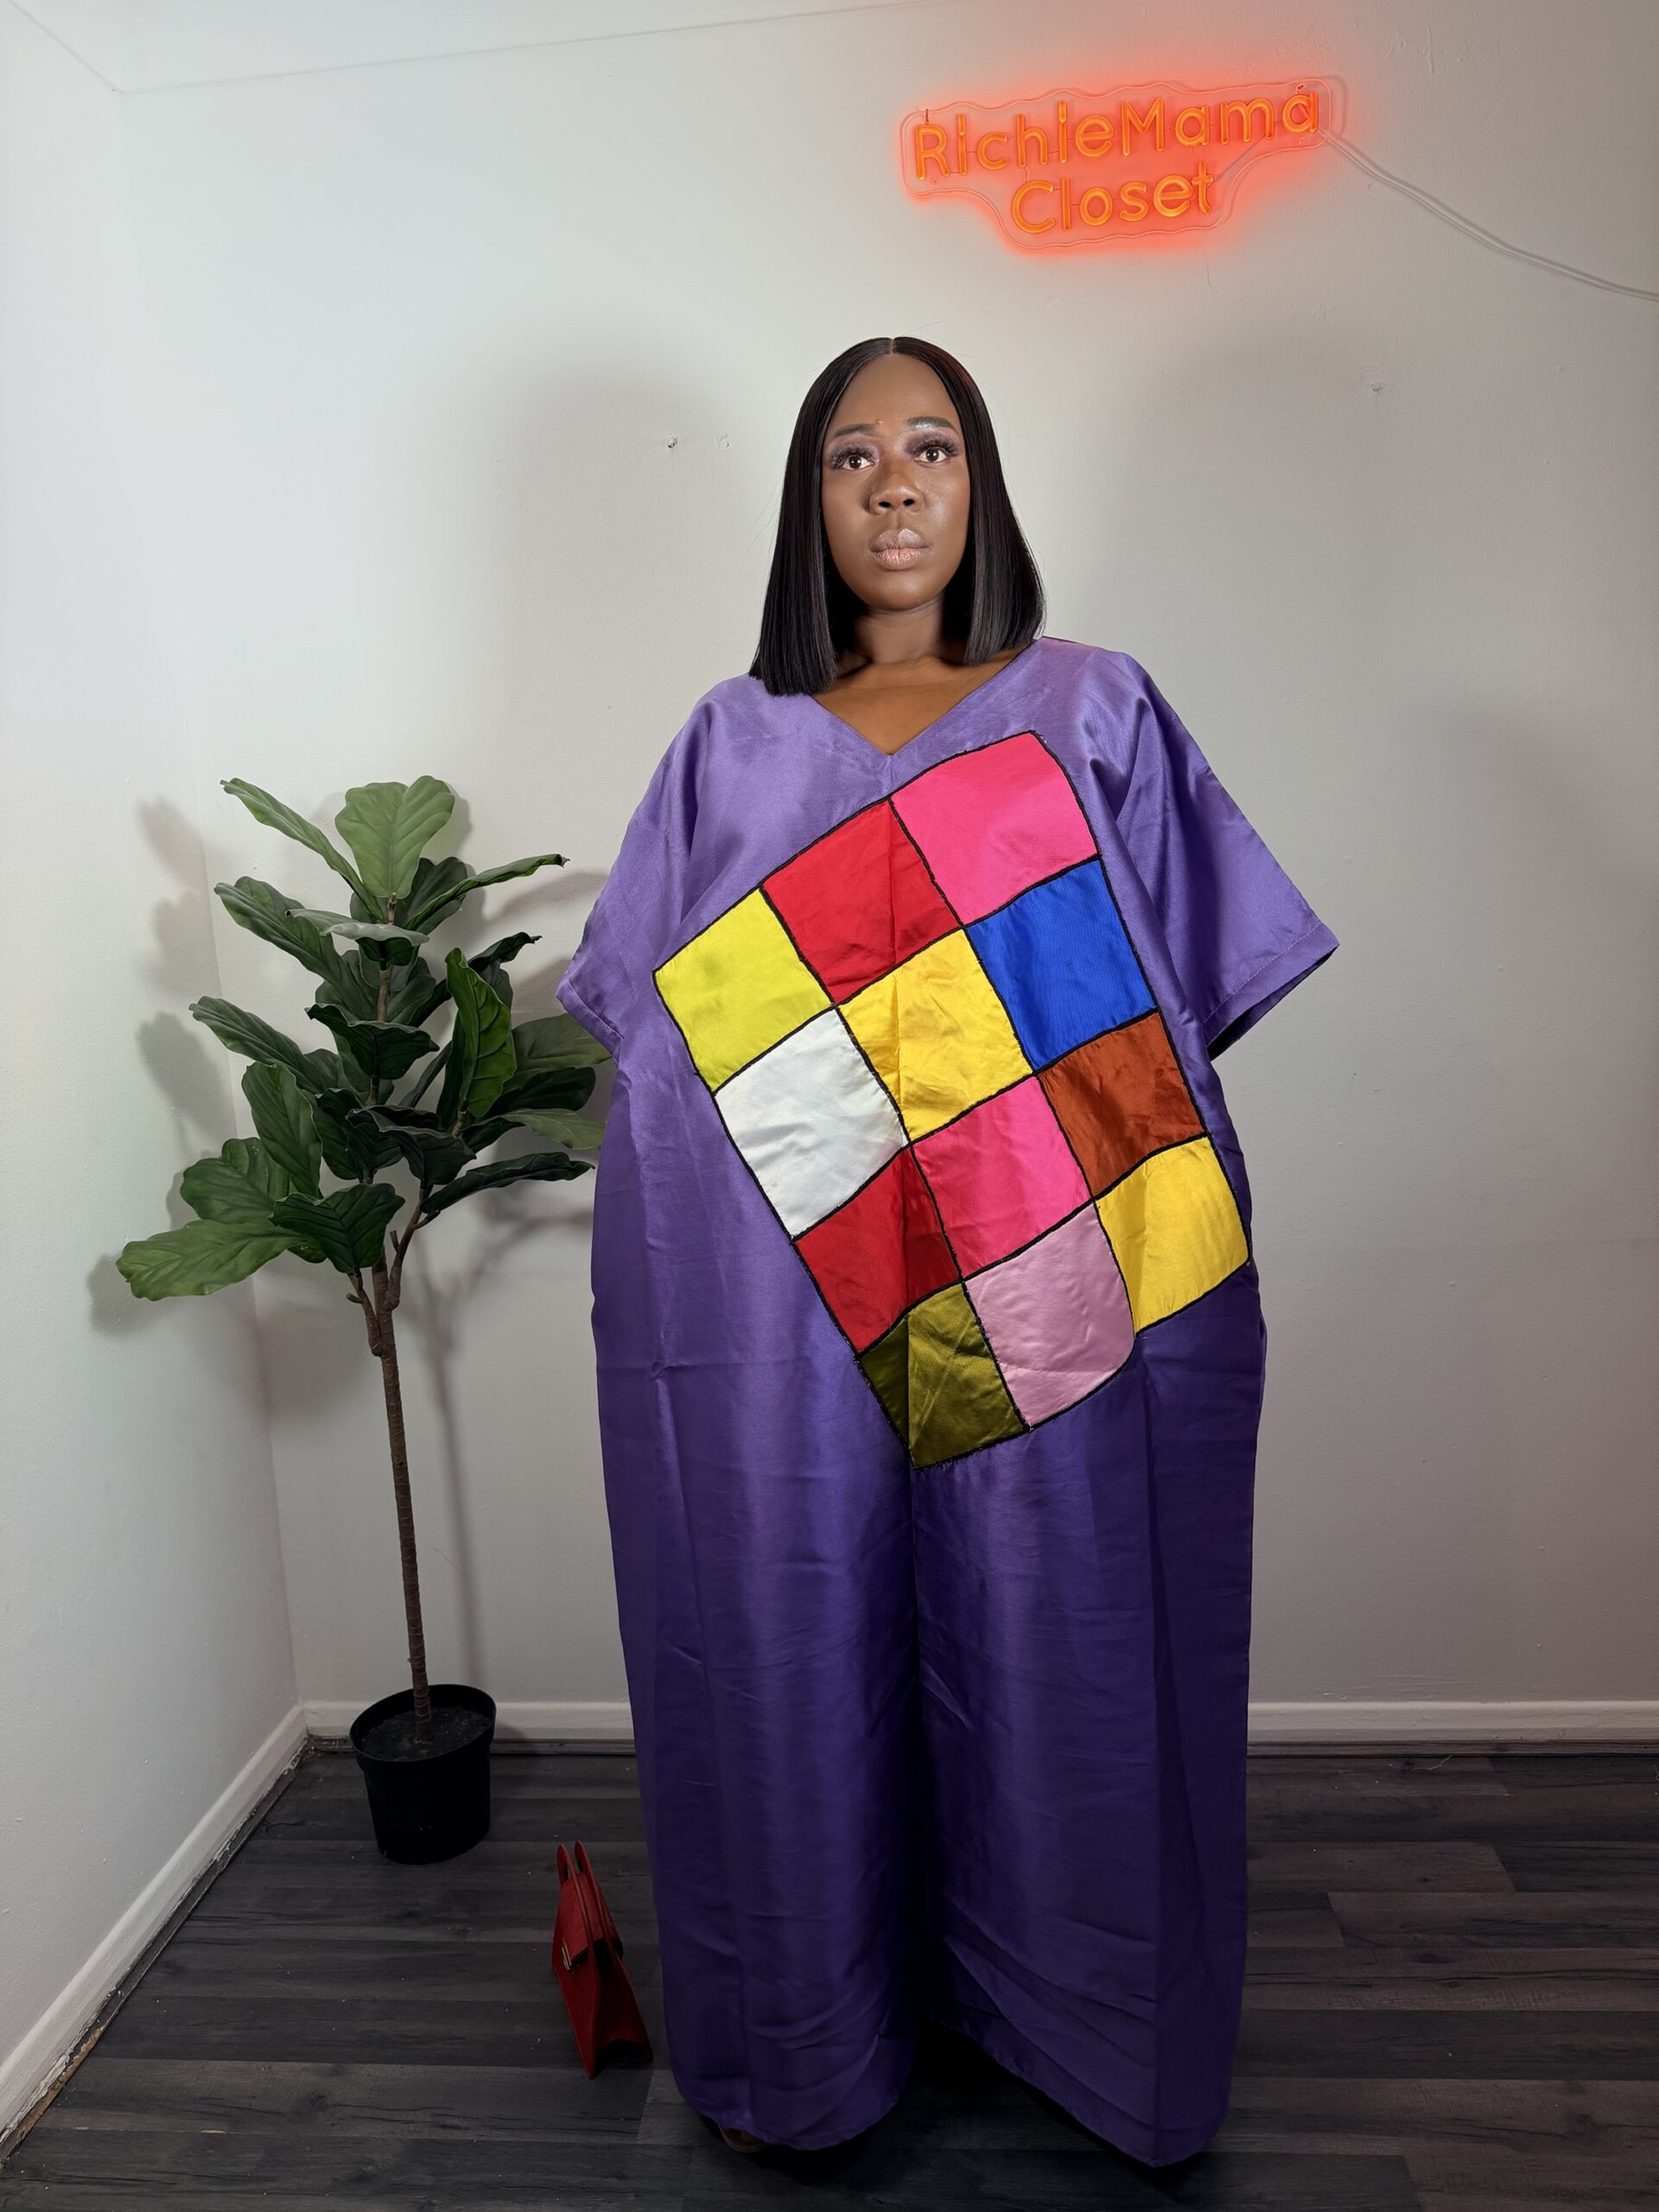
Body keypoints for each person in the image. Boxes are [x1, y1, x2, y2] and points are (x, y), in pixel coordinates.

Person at [556, 335, 1338, 2163]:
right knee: (797, 1626)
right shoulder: (729, 742)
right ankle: (819, 2029)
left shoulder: (1094, 708)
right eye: (852, 455)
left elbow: (1181, 1007)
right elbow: (653, 1034)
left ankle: (1073, 2014)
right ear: (809, 500)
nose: (894, 484)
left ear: (980, 481)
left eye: (931, 446)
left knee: (1060, 1630)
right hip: (777, 1295)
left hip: (1047, 1266)